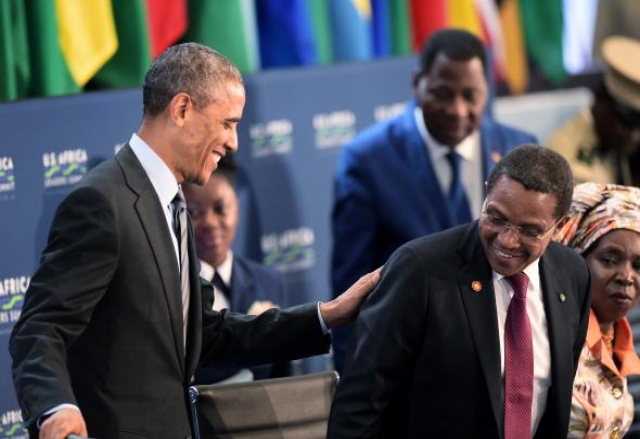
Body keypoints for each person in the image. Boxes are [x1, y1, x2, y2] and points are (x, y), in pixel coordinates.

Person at [9, 43, 380, 439]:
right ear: (182, 109)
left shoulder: (173, 203)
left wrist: (327, 315)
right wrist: (56, 409)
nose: (234, 142)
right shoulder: (102, 203)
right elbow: (40, 328)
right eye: (227, 123)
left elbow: (207, 333)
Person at [327, 144, 592, 439]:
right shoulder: (420, 269)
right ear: (487, 192)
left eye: (530, 231)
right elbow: (359, 407)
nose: (507, 241)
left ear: (560, 225)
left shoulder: (573, 275)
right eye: (496, 217)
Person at [330, 27, 538, 372]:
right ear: (417, 83)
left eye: (470, 95)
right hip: (410, 364)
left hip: (506, 359)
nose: (457, 110)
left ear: (487, 89)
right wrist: (350, 379)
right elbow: (351, 292)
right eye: (443, 94)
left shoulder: (520, 150)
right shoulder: (368, 161)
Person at [183, 154, 290, 383]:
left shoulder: (269, 283)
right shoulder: (171, 292)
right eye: (194, 212)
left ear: (238, 209)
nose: (210, 223)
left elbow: (283, 378)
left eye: (220, 208)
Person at [553, 183, 640, 438]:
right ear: (576, 259)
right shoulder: (553, 338)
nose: (627, 276)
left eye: (638, 265)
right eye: (609, 260)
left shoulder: (616, 338)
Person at [547, 35, 640, 185]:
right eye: (626, 123)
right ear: (600, 99)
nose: (635, 137)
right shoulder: (567, 161)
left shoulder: (623, 149)